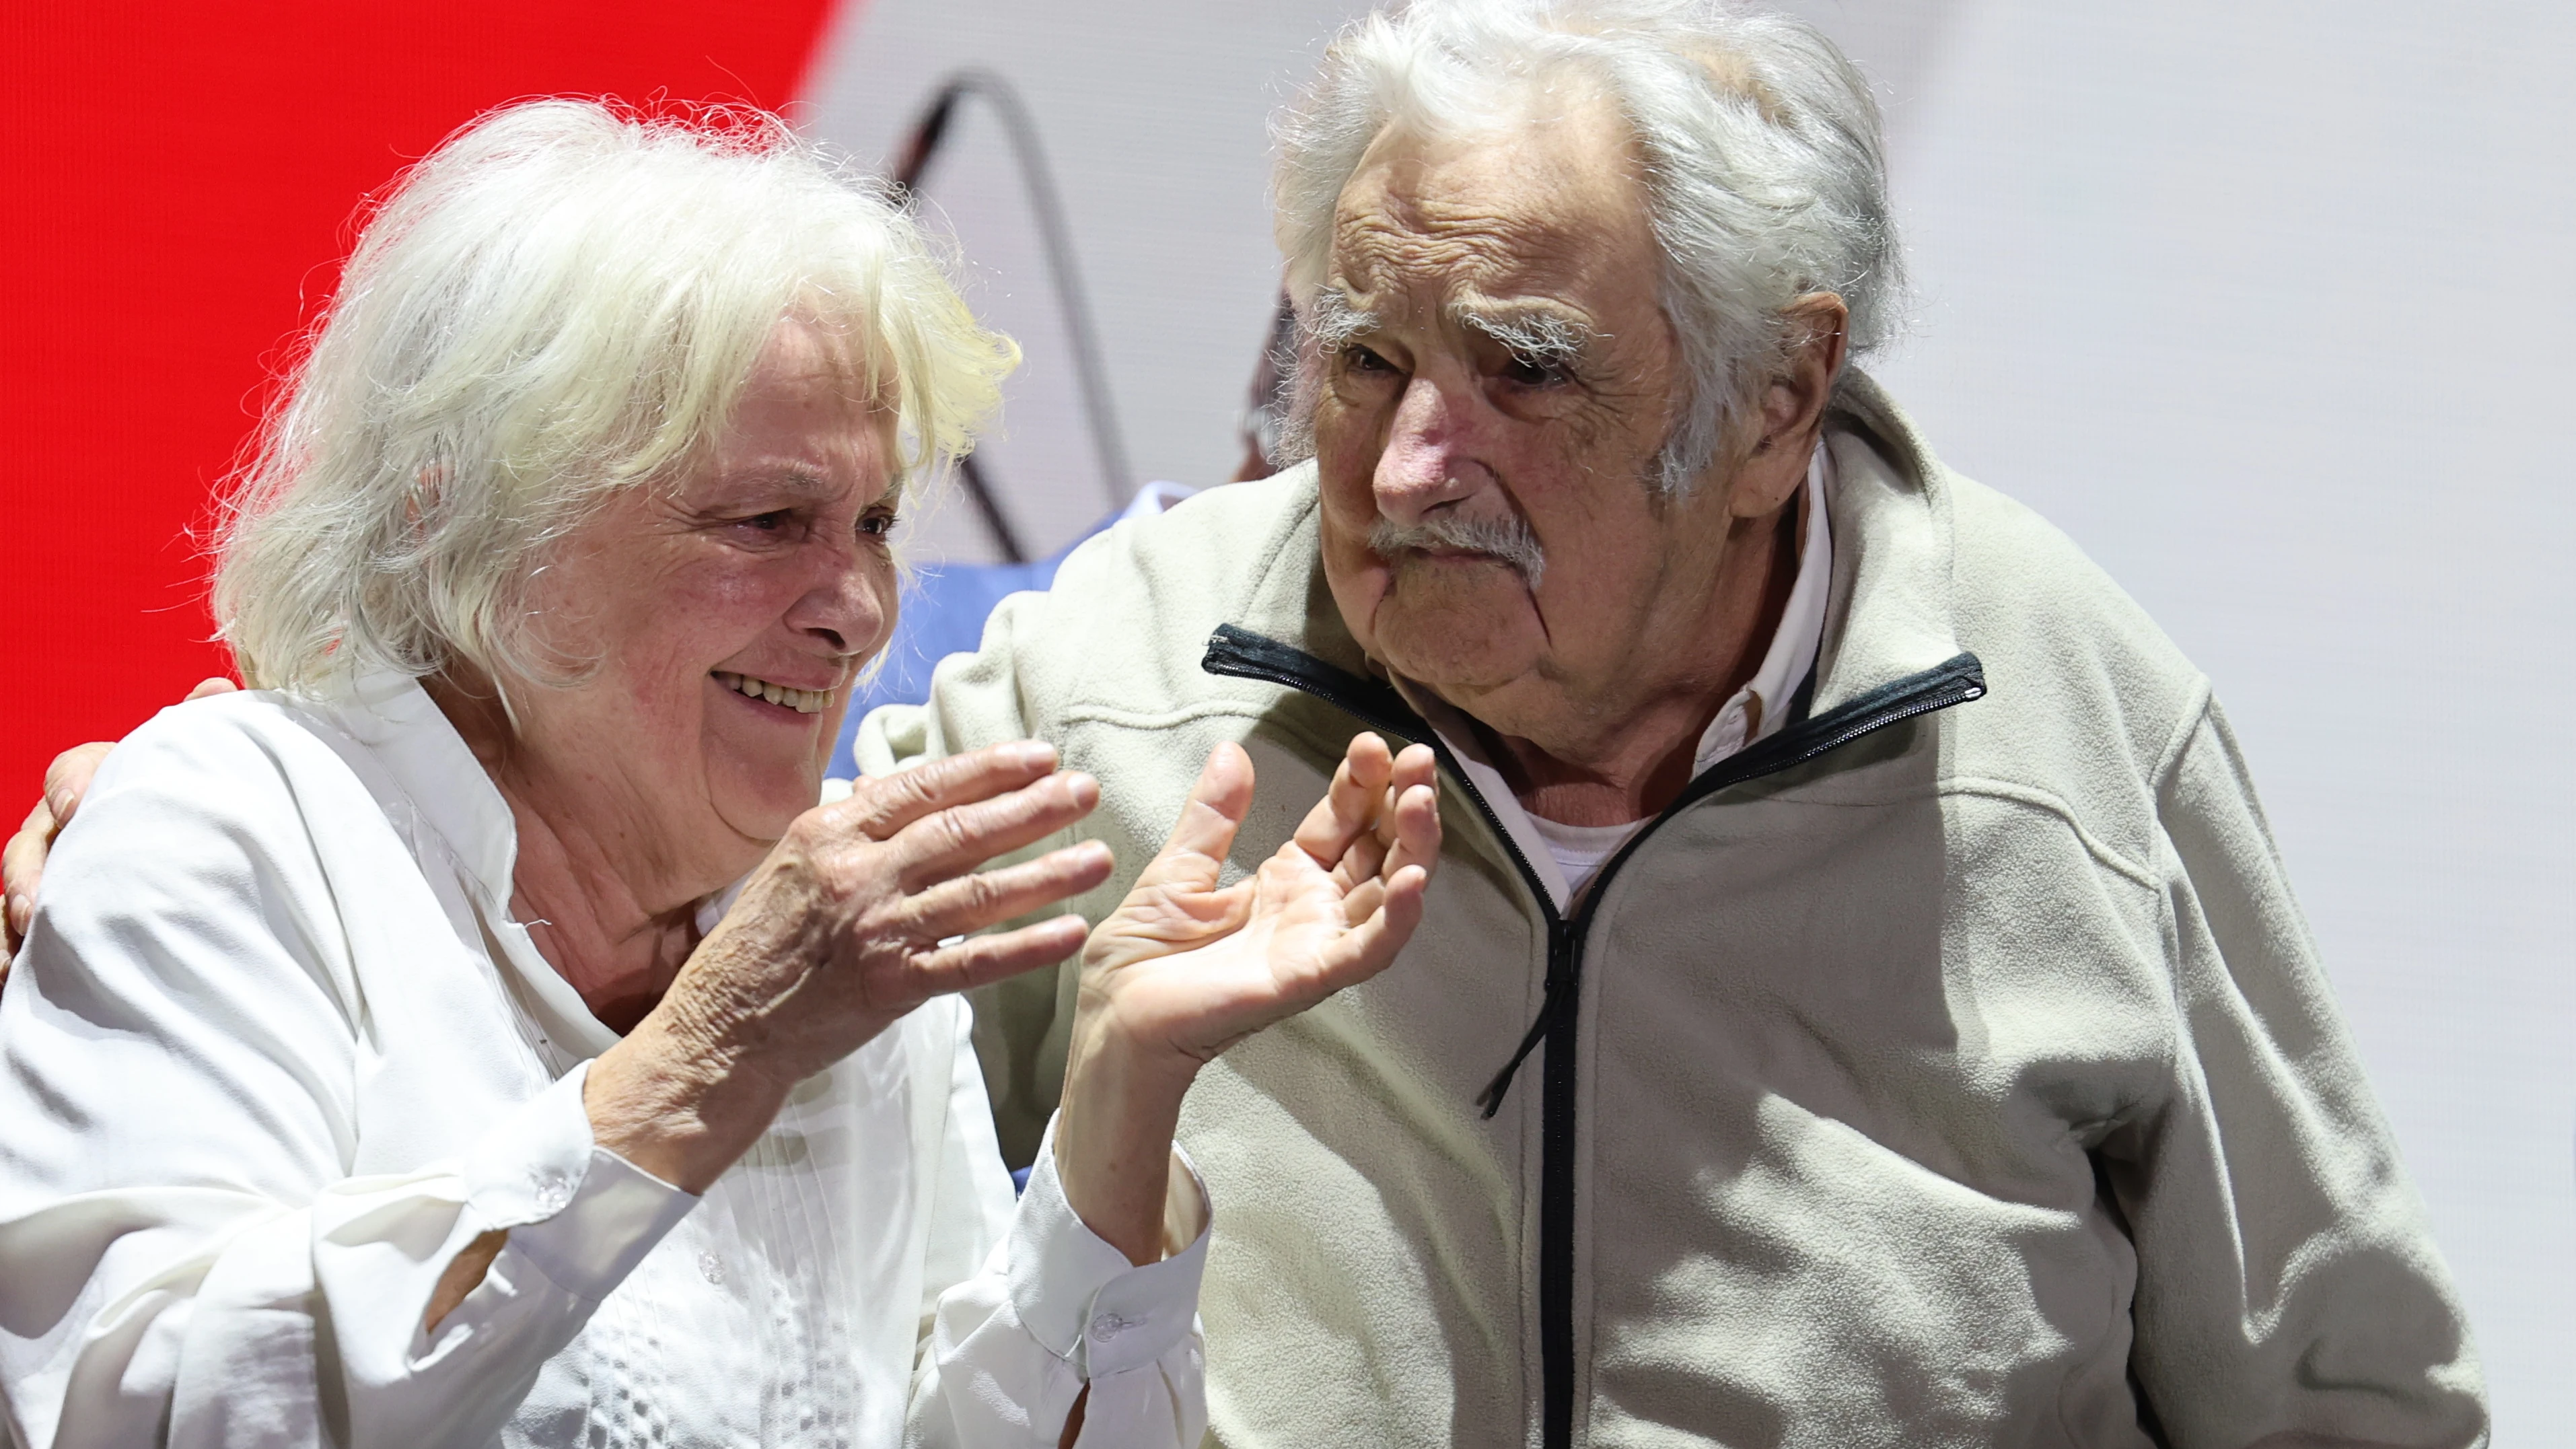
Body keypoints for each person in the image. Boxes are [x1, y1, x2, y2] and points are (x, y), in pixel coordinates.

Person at [4, 4, 2492, 1446]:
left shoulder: (2059, 721)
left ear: (1767, 398)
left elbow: (2337, 1390)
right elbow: (621, 861)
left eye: (1518, 371)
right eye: (1358, 356)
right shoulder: (1109, 675)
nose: (1412, 464)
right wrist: (190, 790)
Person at [0, 100, 1439, 1448]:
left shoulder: (841, 940)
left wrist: (1125, 1091)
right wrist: (713, 1054)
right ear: (489, 528)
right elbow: (132, 1408)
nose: (859, 605)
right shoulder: (237, 835)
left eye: (873, 521)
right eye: (768, 520)